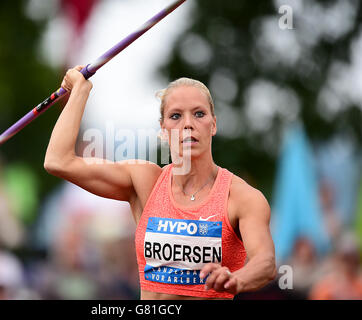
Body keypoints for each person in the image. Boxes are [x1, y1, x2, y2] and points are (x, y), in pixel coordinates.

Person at [44, 65, 276, 299]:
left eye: (199, 114)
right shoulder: (145, 181)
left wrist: (237, 279)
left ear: (213, 125)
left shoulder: (240, 196)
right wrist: (80, 91)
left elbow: (265, 263)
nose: (188, 124)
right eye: (176, 116)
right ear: (164, 131)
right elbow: (58, 161)